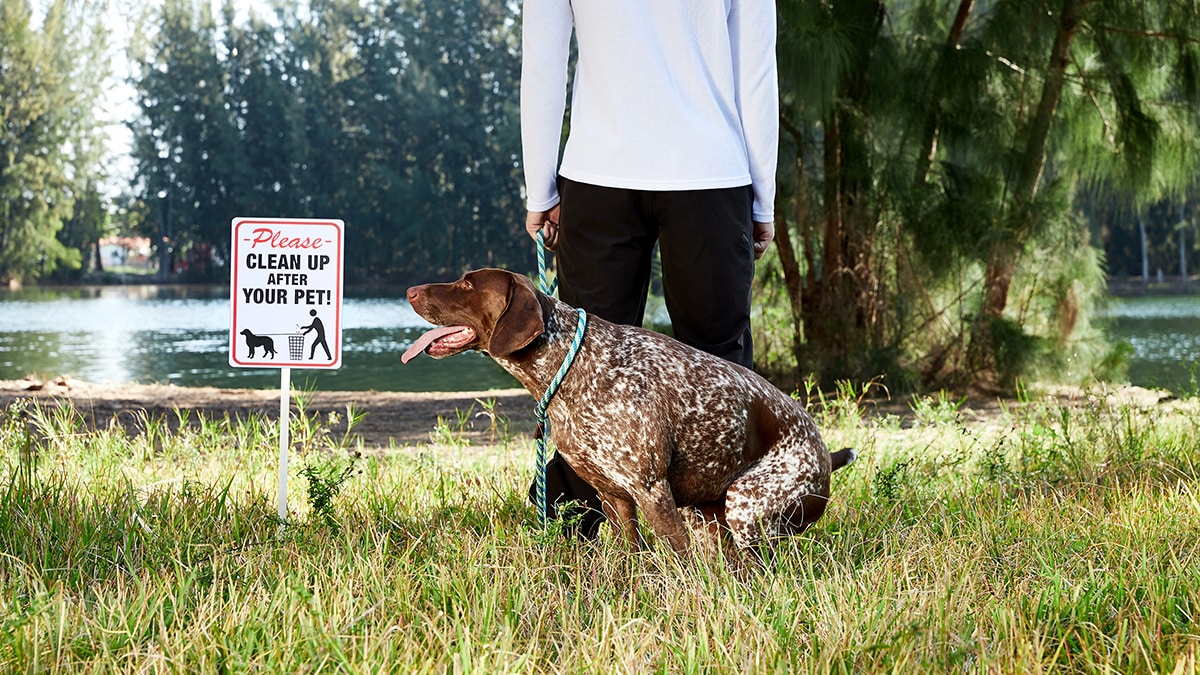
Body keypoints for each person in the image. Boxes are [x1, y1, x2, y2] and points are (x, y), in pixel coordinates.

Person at [520, 0, 779, 538]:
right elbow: (755, 70)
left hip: (597, 171)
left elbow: (543, 64)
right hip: (711, 172)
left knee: (580, 366)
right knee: (719, 364)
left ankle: (577, 523)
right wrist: (762, 200)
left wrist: (540, 188)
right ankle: (734, 526)